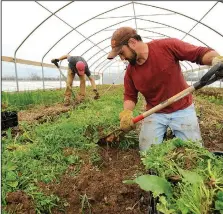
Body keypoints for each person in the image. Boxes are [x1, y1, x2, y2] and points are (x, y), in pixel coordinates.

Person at [107, 26, 223, 151]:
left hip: (182, 108)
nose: (122, 58)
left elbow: (199, 53)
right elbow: (130, 96)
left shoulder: (166, 46)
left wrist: (215, 60)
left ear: (132, 42)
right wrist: (126, 113)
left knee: (193, 151)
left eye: (122, 53)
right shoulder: (130, 72)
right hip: (155, 112)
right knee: (147, 152)